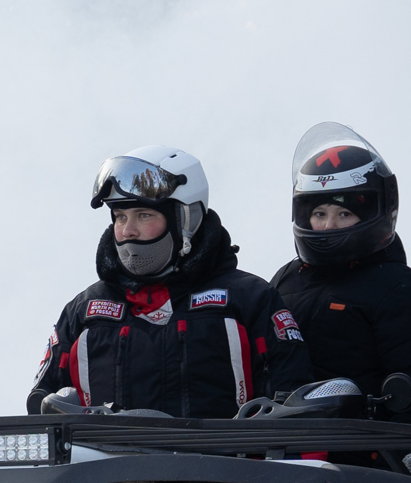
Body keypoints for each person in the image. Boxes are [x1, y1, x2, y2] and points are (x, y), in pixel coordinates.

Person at [29, 146, 310, 417]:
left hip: (225, 453)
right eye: (120, 217)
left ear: (185, 219)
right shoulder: (84, 312)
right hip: (104, 453)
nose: (128, 231)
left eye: (144, 215)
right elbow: (42, 410)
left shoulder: (250, 299)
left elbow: (294, 407)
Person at [270, 123, 411, 419]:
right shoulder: (286, 279)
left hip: (359, 441)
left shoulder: (398, 288)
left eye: (344, 214)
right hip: (281, 437)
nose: (328, 226)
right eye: (319, 214)